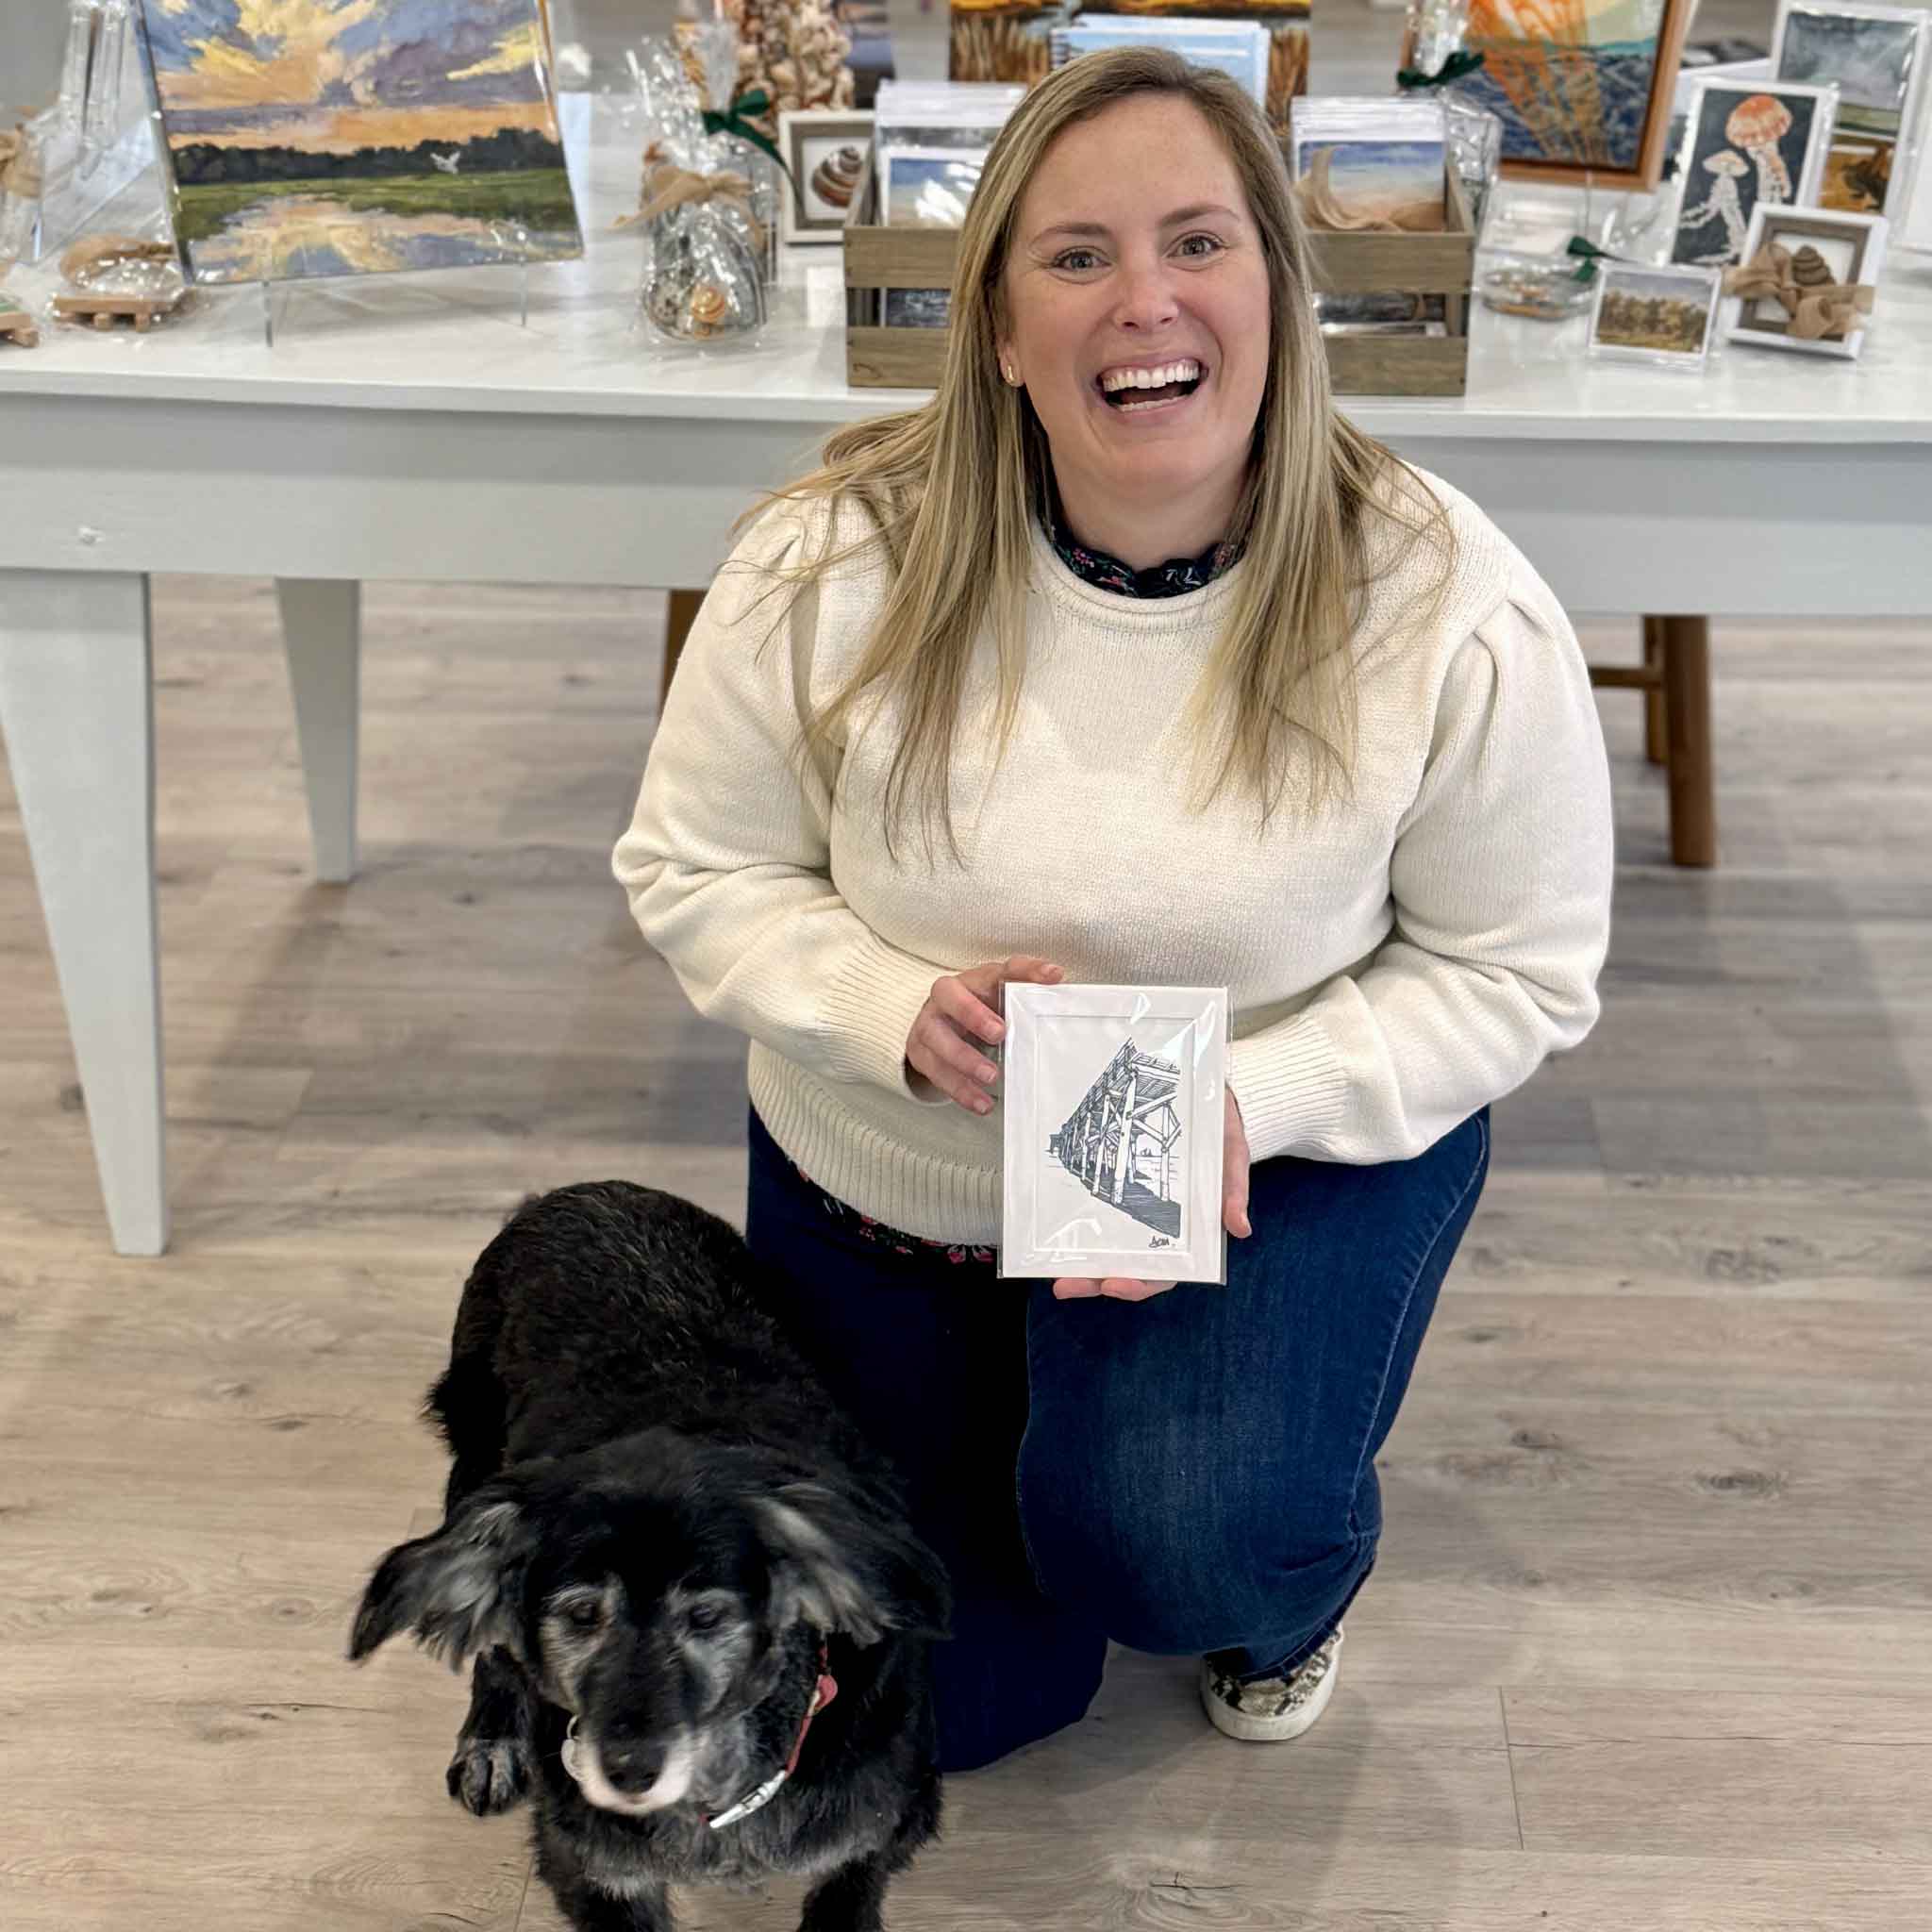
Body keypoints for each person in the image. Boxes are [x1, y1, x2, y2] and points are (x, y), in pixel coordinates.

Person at [613, 48, 1613, 1774]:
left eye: (1199, 243)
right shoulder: (826, 559)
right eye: (1075, 258)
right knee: (965, 1713)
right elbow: (690, 865)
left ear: (1282, 297)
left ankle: (1272, 1575)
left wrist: (1260, 1101)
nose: (1144, 301)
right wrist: (879, 1002)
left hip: (1263, 1180)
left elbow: (1516, 973)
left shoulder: (1443, 603)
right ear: (1001, 326)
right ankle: (1051, 1442)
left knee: (1174, 1547)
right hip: (894, 1176)